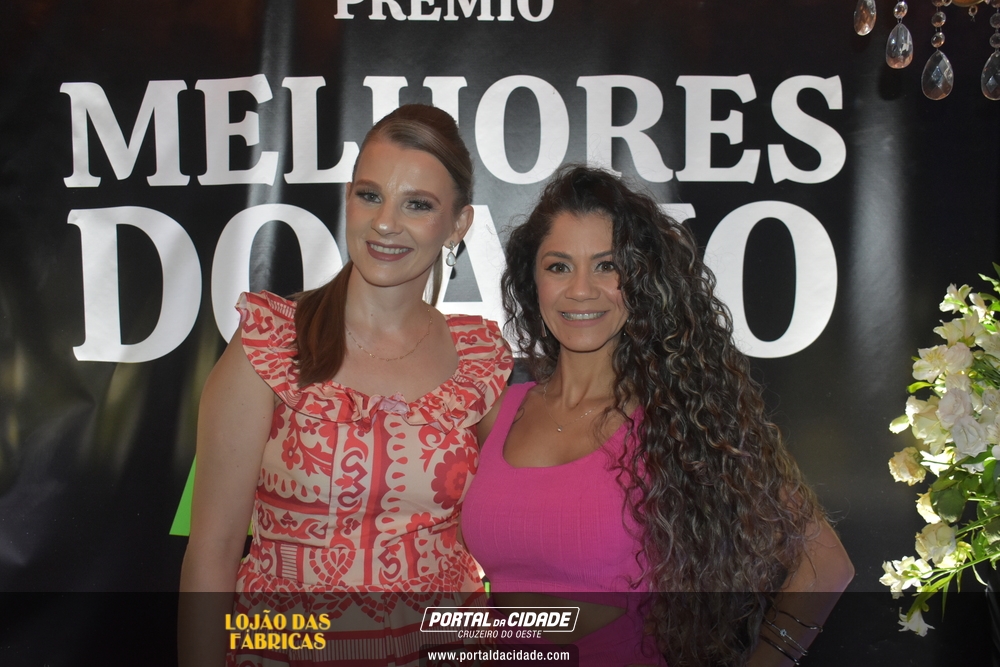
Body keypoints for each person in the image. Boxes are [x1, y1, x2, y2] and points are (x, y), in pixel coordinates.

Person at [461, 166, 854, 667]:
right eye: (559, 266)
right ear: (531, 279)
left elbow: (825, 561)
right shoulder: (496, 414)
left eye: (607, 266)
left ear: (641, 278)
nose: (581, 290)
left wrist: (772, 657)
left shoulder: (681, 423)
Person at [178, 104, 512, 667]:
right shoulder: (269, 343)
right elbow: (212, 551)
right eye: (370, 195)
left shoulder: (478, 360)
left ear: (458, 225)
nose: (385, 223)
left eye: (418, 204)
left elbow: (511, 530)